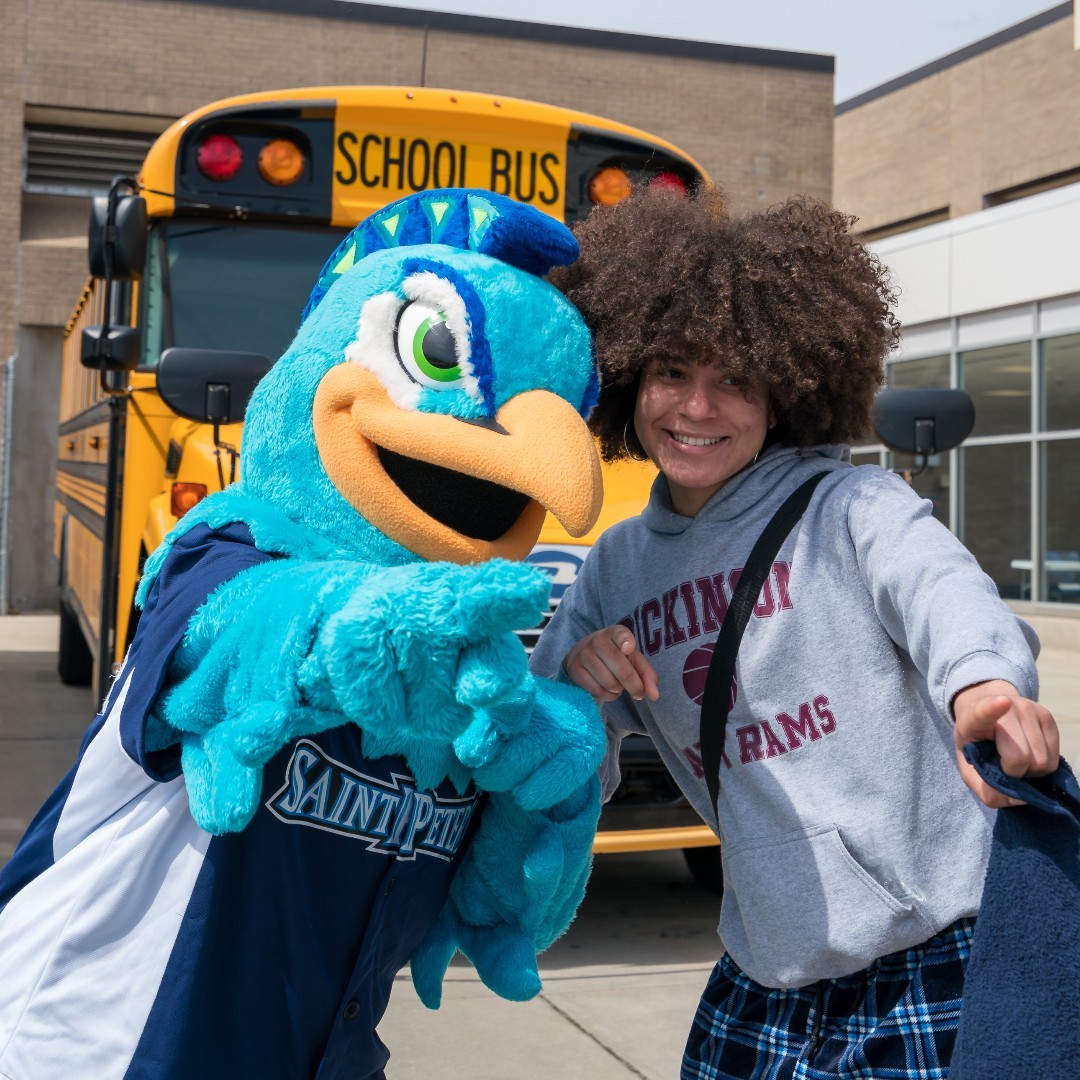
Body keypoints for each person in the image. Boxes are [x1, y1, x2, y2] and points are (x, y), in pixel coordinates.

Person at [529, 185, 1061, 1079]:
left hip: (930, 959)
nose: (698, 408)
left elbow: (942, 590)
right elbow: (543, 763)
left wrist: (983, 684)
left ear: (788, 393)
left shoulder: (850, 506)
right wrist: (576, 689)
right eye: (672, 373)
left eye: (734, 379)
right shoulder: (615, 566)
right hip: (764, 969)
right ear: (627, 379)